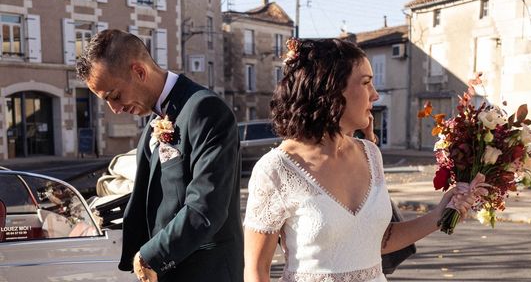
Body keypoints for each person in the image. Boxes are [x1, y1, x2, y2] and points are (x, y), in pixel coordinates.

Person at [243, 38, 481, 282]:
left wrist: (440, 214)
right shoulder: (276, 169)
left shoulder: (371, 154)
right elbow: (256, 269)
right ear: (330, 89)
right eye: (366, 83)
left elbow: (378, 240)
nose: (375, 95)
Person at [76, 29, 242, 282]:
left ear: (139, 71)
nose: (116, 109)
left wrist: (152, 256)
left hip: (205, 272)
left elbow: (207, 207)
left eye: (115, 96)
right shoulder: (157, 118)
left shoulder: (204, 109)